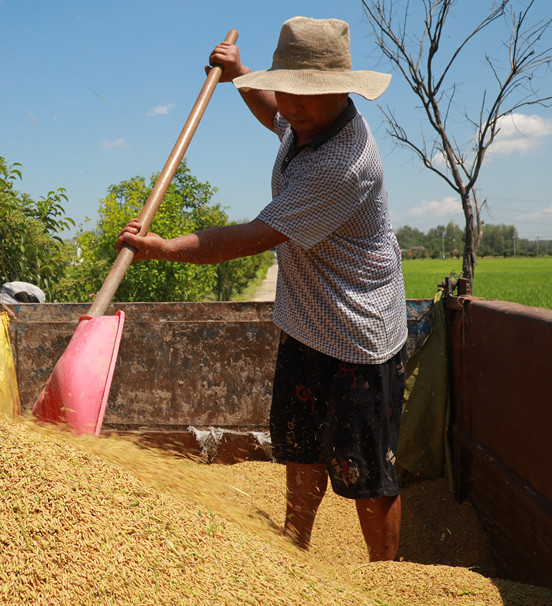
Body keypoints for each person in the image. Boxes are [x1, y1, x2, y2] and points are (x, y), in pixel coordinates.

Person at [116, 16, 408, 562]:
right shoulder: (308, 121)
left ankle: (386, 580)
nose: (294, 105)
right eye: (290, 89)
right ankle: (295, 556)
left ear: (342, 91)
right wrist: (241, 76)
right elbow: (277, 116)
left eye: (308, 95)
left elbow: (254, 236)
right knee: (300, 449)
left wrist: (168, 246)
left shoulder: (344, 164)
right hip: (307, 319)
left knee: (368, 471)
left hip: (358, 331)